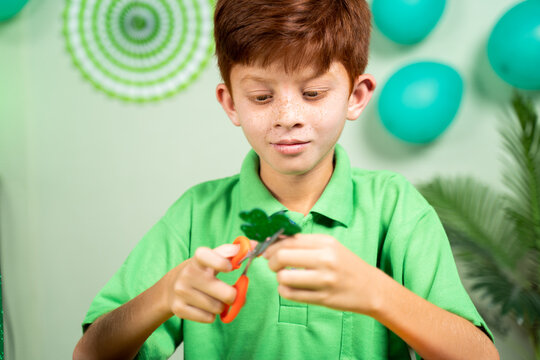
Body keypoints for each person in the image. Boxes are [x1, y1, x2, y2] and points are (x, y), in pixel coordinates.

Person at [73, 0, 500, 359]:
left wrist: (378, 294)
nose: (288, 118)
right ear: (230, 103)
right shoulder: (195, 213)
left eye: (313, 93)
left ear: (356, 95)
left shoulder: (394, 208)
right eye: (261, 96)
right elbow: (89, 353)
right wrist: (163, 296)